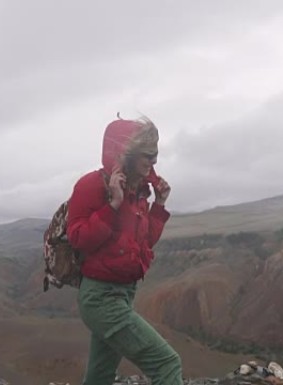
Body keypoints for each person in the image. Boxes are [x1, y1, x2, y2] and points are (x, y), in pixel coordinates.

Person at [67, 116, 182, 385]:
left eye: (156, 157)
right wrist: (113, 206)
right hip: (100, 298)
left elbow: (144, 243)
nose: (153, 163)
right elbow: (78, 238)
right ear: (126, 154)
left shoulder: (140, 190)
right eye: (148, 156)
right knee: (167, 363)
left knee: (100, 376)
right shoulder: (92, 186)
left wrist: (159, 206)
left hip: (123, 294)